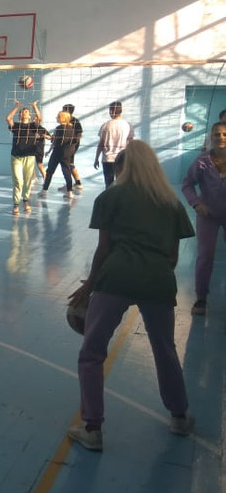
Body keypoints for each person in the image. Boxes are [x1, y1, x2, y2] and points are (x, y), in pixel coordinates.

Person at [66, 140, 195, 452]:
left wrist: (90, 285)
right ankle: (179, 416)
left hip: (116, 278)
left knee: (92, 352)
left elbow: (104, 249)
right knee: (165, 349)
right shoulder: (170, 203)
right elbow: (173, 257)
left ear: (122, 168)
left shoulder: (111, 197)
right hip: (158, 282)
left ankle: (92, 428)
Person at [181, 121, 226, 316]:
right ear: (211, 138)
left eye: (225, 134)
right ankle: (201, 298)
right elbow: (187, 184)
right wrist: (196, 203)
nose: (221, 137)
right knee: (205, 255)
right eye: (217, 134)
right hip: (208, 215)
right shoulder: (203, 161)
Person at [5, 100, 42, 214]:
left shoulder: (33, 126)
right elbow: (8, 118)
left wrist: (34, 106)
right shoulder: (16, 126)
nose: (24, 113)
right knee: (18, 181)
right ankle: (16, 205)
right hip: (16, 157)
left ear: (29, 115)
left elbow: (39, 118)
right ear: (20, 115)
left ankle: (25, 201)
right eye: (22, 112)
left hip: (29, 157)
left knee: (27, 181)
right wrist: (17, 106)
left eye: (26, 112)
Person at [40, 110, 78, 199]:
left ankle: (44, 190)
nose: (56, 118)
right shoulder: (72, 129)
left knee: (50, 171)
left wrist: (49, 150)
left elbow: (55, 141)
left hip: (58, 152)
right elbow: (73, 142)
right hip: (67, 152)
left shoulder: (59, 128)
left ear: (62, 118)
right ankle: (69, 192)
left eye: (58, 116)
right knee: (66, 171)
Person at [94, 100, 133, 186]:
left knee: (109, 184)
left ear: (111, 111)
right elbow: (131, 143)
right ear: (121, 110)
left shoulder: (105, 125)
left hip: (108, 158)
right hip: (122, 158)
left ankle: (110, 195)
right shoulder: (128, 125)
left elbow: (101, 143)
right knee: (122, 183)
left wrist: (96, 158)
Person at [60, 104, 84, 189]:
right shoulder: (64, 120)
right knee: (68, 164)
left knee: (68, 164)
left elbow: (79, 134)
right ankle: (75, 183)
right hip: (65, 146)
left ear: (67, 111)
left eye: (63, 110)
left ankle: (75, 184)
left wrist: (74, 143)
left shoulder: (75, 121)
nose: (61, 112)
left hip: (71, 146)